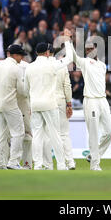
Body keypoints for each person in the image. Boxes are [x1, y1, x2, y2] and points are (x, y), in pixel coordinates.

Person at [25, 32, 73, 171]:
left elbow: (25, 89)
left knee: (38, 136)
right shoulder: (53, 65)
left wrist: (30, 105)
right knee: (55, 134)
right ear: (47, 52)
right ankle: (62, 165)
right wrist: (68, 41)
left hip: (35, 104)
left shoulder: (29, 67)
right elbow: (69, 58)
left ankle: (38, 165)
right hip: (50, 104)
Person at [68, 39, 111, 171]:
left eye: (91, 49)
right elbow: (74, 56)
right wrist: (68, 42)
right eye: (87, 50)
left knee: (110, 132)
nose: (89, 51)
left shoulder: (103, 65)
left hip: (103, 100)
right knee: (93, 133)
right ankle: (95, 164)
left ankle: (93, 155)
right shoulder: (84, 62)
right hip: (91, 100)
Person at [0, 44, 27, 170]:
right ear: (15, 55)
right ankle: (13, 161)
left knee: (1, 135)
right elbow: (22, 91)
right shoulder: (16, 68)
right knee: (18, 132)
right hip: (10, 104)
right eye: (21, 55)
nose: (22, 58)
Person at [45, 45, 76, 170]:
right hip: (61, 101)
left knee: (48, 134)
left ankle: (48, 165)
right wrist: (69, 104)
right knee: (64, 134)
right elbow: (67, 86)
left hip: (47, 102)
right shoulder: (62, 66)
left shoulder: (42, 67)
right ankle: (70, 162)